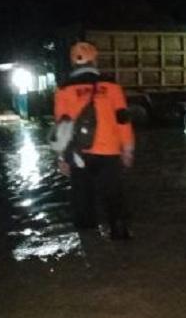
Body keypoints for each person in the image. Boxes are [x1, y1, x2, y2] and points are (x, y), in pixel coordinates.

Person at [53, 42, 134, 240]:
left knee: (81, 195)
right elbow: (123, 120)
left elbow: (61, 127)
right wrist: (128, 148)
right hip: (109, 152)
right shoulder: (112, 87)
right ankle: (119, 232)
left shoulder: (64, 90)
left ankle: (88, 243)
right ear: (95, 60)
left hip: (79, 154)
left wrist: (62, 158)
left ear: (72, 62)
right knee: (113, 193)